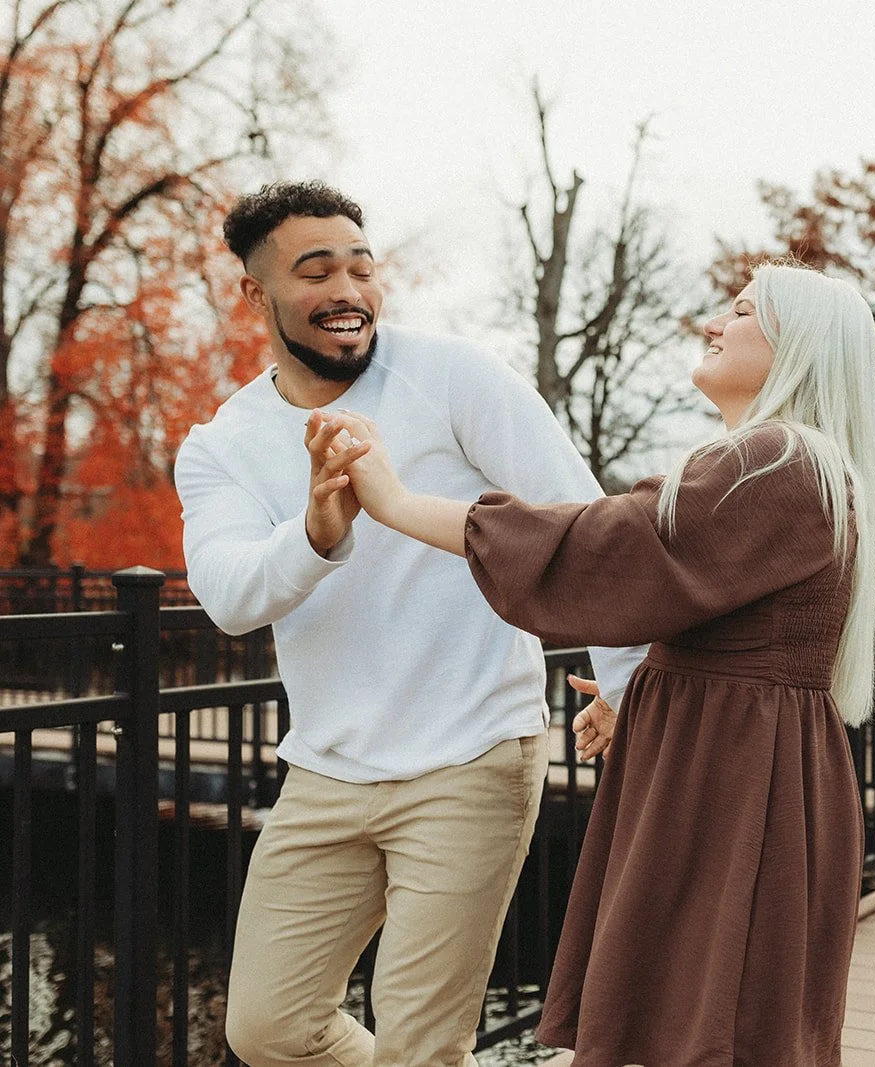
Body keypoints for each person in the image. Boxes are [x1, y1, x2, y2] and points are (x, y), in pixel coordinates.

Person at [317, 262, 875, 1066]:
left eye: (739, 311)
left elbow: (610, 547)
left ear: (796, 344)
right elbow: (694, 599)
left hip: (733, 783)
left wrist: (398, 503)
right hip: (731, 766)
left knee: (707, 1022)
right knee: (709, 1016)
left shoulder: (778, 460)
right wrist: (648, 689)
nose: (713, 325)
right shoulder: (797, 465)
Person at [173, 179, 646, 1067]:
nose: (348, 291)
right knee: (267, 1027)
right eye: (317, 271)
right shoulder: (220, 444)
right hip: (326, 770)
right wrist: (316, 532)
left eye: (362, 267)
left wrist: (627, 686)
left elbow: (588, 529)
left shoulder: (455, 377)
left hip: (473, 754)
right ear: (254, 293)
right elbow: (231, 596)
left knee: (422, 1044)